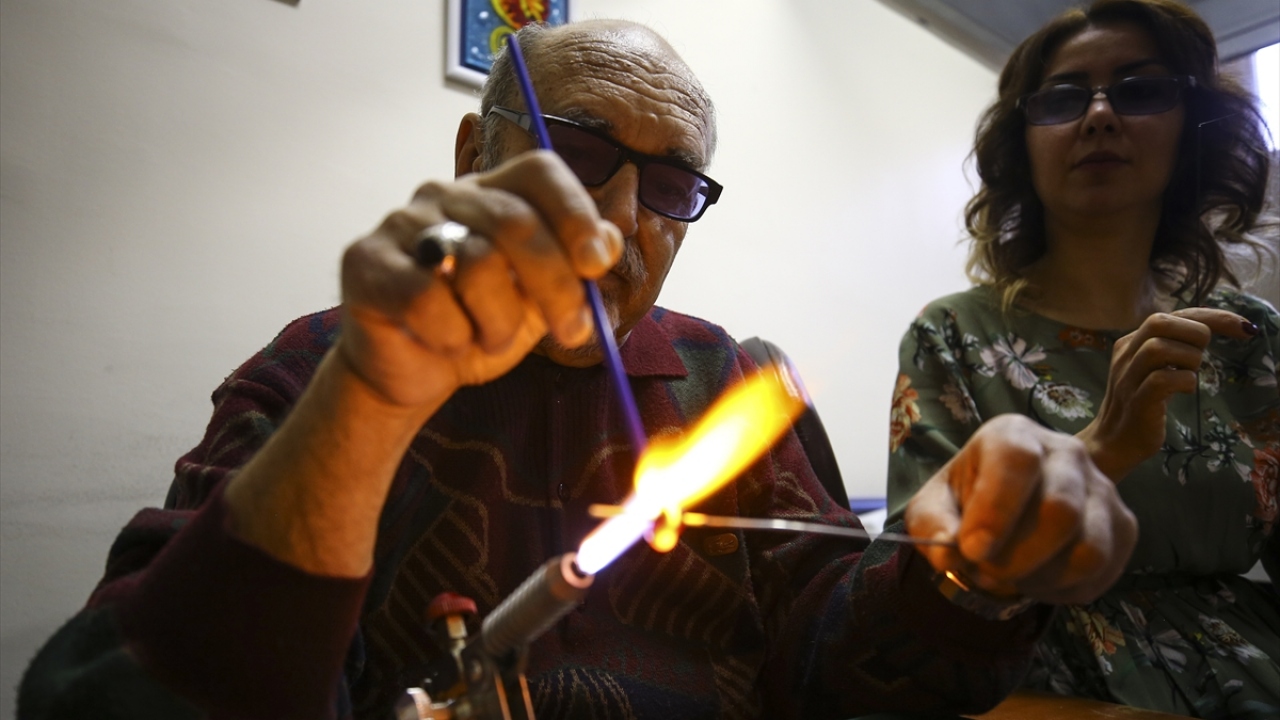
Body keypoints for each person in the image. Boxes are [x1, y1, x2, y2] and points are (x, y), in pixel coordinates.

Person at [20, 19, 1136, 720]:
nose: (613, 220)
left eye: (665, 188)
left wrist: (961, 571)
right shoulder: (326, 360)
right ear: (475, 155)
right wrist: (368, 400)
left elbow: (828, 663)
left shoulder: (726, 375)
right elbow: (113, 693)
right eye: (580, 148)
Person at [886, 0, 1279, 717]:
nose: (1100, 116)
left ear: (1191, 132)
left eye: (1139, 89)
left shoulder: (1249, 339)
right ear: (1022, 144)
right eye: (1064, 98)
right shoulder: (952, 335)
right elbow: (915, 605)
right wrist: (1099, 450)